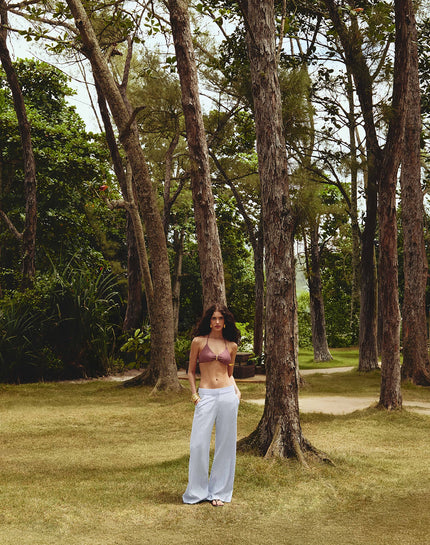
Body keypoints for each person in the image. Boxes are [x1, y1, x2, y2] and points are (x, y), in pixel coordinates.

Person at [182, 303, 241, 507]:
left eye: (220, 318)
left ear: (225, 322)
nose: (217, 321)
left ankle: (219, 492)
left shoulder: (231, 346)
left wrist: (236, 391)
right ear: (209, 321)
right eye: (214, 318)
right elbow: (191, 371)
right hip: (206, 395)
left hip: (227, 396)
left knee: (225, 445)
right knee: (198, 444)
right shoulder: (198, 342)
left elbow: (229, 374)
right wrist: (194, 395)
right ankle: (197, 491)